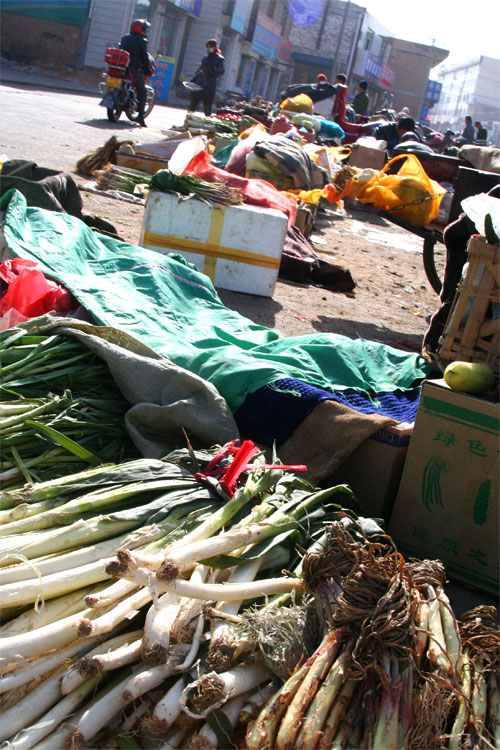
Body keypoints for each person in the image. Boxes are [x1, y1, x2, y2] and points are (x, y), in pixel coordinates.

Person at [120, 18, 152, 127]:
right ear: (141, 29)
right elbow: (144, 57)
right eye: (145, 29)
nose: (146, 31)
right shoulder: (141, 41)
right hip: (133, 69)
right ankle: (140, 117)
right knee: (142, 91)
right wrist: (147, 70)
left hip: (121, 68)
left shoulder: (125, 38)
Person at [189, 39, 225, 117]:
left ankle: (207, 121)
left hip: (209, 85)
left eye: (210, 47)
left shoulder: (219, 59)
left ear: (214, 47)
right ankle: (187, 120)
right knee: (192, 105)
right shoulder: (205, 57)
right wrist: (194, 79)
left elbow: (222, 70)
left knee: (207, 108)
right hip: (199, 83)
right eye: (207, 47)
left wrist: (213, 69)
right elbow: (199, 69)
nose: (208, 49)